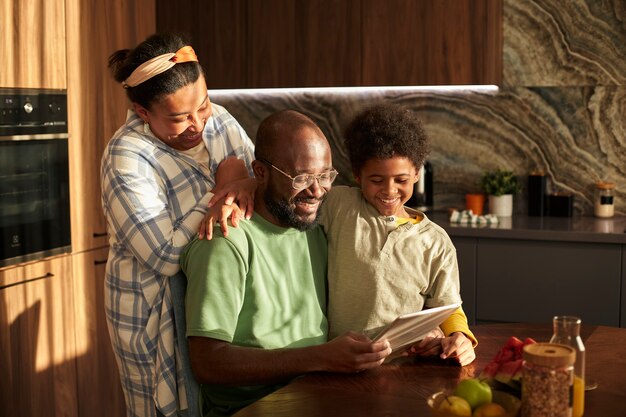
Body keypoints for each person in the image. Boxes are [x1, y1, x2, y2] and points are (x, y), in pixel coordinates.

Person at [180, 110, 392, 416]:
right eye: (301, 178)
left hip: (319, 392)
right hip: (253, 407)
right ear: (260, 172)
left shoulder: (314, 229)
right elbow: (208, 364)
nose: (317, 190)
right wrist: (321, 358)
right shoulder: (226, 241)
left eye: (325, 175)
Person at [101, 33, 255, 417]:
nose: (198, 125)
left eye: (201, 106)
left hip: (216, 300)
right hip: (152, 312)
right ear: (143, 112)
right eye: (178, 118)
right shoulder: (128, 157)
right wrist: (224, 186)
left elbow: (258, 180)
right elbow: (165, 255)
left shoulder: (219, 120)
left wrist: (247, 180)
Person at [321, 103, 477, 366]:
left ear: (417, 173)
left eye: (401, 180)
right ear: (358, 175)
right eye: (377, 180)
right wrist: (246, 186)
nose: (389, 190)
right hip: (339, 362)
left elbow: (448, 306)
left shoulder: (436, 243)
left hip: (403, 366)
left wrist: (460, 336)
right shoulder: (339, 205)